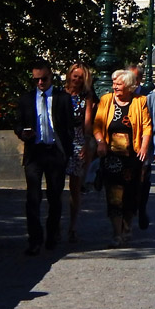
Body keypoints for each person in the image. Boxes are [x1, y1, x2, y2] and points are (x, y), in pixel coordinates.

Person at [14, 58, 74, 255]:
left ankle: (52, 235)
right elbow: (18, 124)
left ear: (51, 77)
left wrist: (66, 150)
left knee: (55, 196)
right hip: (35, 152)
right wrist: (23, 133)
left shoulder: (62, 98)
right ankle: (35, 239)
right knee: (33, 197)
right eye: (36, 79)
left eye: (44, 79)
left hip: (55, 152)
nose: (40, 82)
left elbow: (69, 126)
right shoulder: (26, 99)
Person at [93, 69, 152, 246]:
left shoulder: (140, 101)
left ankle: (127, 226)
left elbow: (147, 127)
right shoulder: (106, 100)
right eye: (114, 84)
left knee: (131, 195)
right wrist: (100, 142)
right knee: (114, 196)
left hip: (132, 157)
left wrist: (144, 147)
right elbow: (97, 125)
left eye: (118, 84)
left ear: (129, 86)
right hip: (111, 157)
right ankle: (117, 233)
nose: (114, 87)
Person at [62, 62, 96, 242]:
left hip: (77, 137)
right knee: (55, 184)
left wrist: (86, 142)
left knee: (75, 187)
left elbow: (87, 122)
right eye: (74, 76)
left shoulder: (86, 97)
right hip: (61, 138)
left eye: (80, 77)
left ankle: (72, 226)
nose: (76, 80)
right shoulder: (60, 94)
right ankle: (55, 223)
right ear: (69, 75)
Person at [130, 65, 155, 230]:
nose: (131, 82)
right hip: (125, 145)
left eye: (135, 78)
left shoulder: (150, 96)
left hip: (145, 145)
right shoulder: (121, 94)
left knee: (143, 179)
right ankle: (130, 208)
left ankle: (141, 208)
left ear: (140, 80)